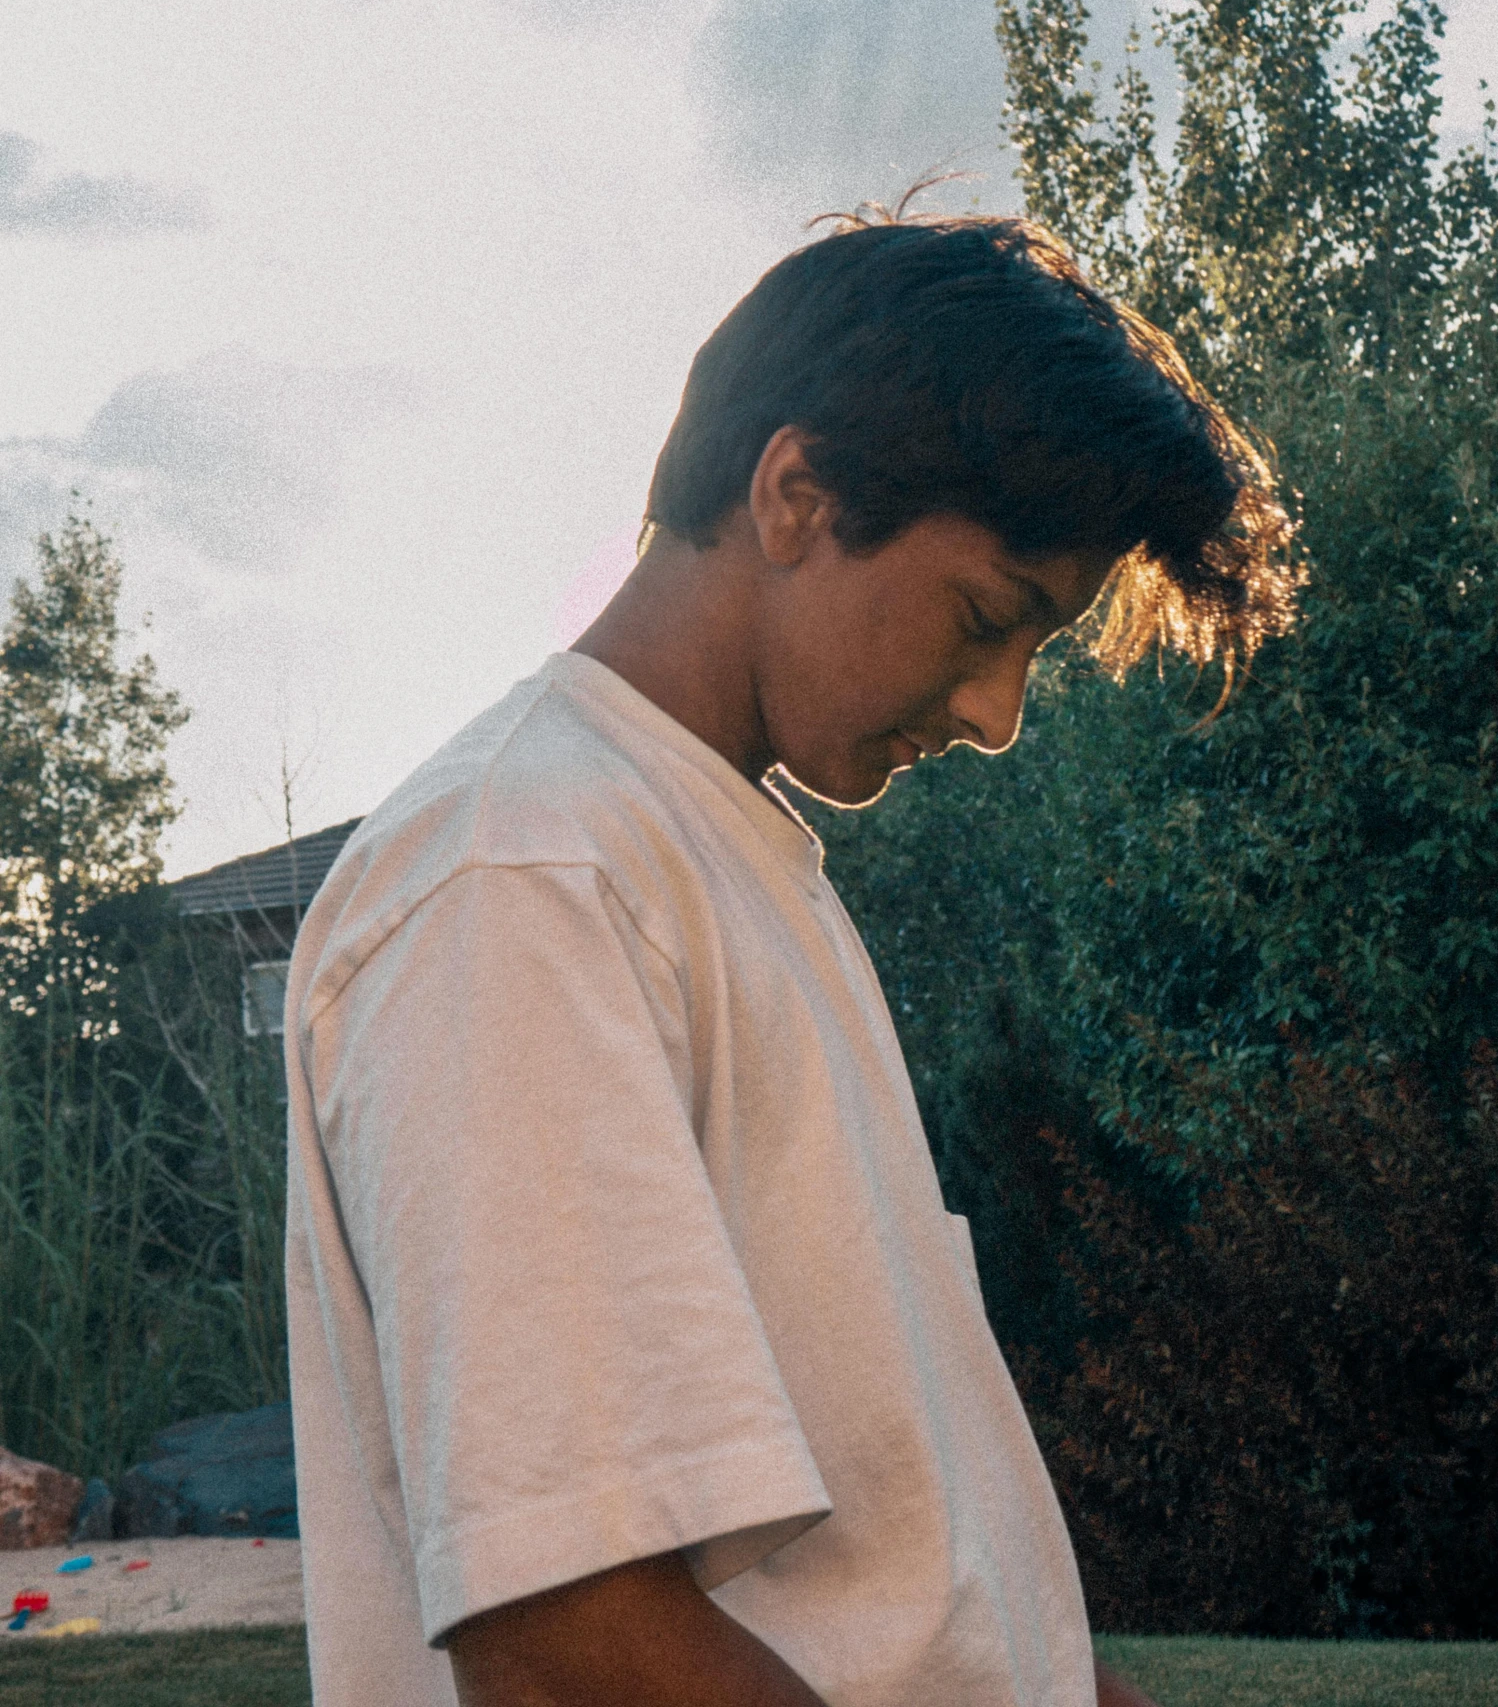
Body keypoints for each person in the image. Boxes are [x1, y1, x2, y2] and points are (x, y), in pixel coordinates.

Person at [285, 211, 1294, 1707]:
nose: (999, 711)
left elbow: (882, 1582)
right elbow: (569, 1638)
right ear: (794, 492)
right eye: (986, 615)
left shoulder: (715, 861)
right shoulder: (525, 871)